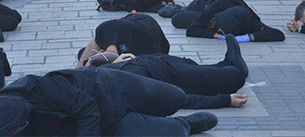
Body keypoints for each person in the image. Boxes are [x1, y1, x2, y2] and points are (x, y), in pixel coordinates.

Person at [0, 66, 219, 136]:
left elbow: (86, 107)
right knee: (172, 132)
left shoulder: (34, 88)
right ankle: (186, 124)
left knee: (174, 96)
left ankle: (212, 100)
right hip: (107, 126)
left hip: (107, 86)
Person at [84, 34, 249, 110]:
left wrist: (110, 61)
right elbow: (181, 100)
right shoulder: (126, 91)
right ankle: (235, 66)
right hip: (176, 77)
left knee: (210, 69)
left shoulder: (99, 76)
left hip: (162, 61)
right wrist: (225, 101)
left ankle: (227, 63)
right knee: (235, 77)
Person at [169, 0, 286, 42]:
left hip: (228, 1)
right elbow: (192, 30)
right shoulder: (216, 8)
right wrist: (216, 35)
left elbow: (279, 35)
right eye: (221, 30)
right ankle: (177, 7)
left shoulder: (250, 19)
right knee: (178, 18)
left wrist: (250, 37)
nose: (221, 32)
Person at [76, 13, 170, 66]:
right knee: (83, 53)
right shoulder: (108, 31)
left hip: (151, 50)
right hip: (144, 27)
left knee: (85, 55)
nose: (100, 52)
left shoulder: (104, 30)